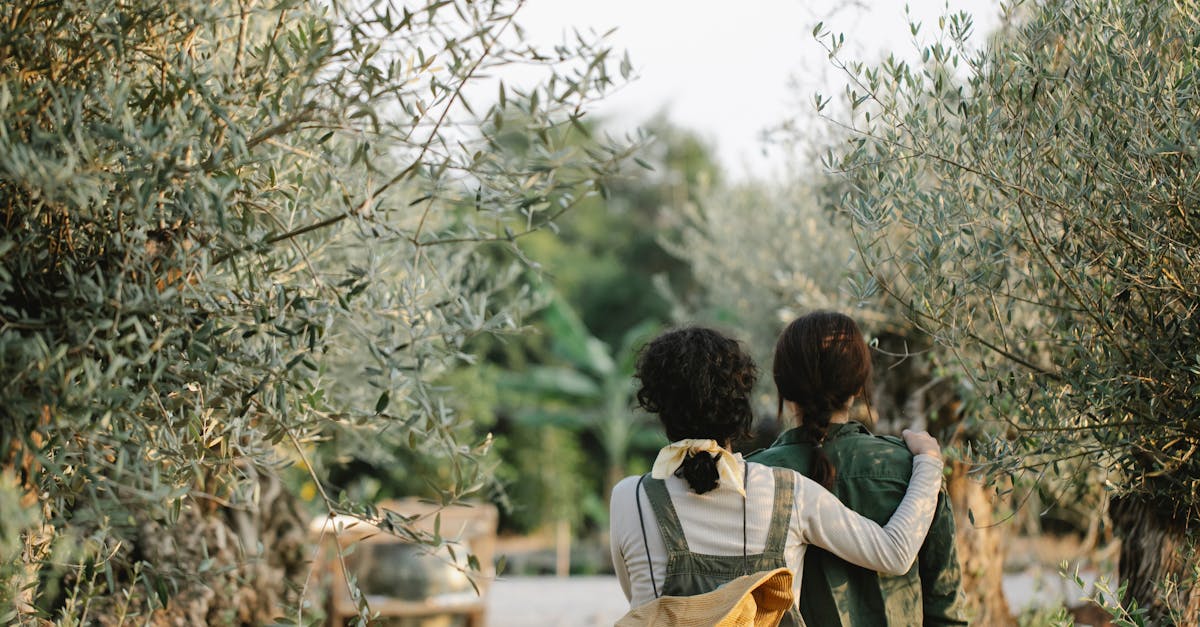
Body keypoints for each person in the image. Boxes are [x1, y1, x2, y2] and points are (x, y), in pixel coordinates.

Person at [609, 326, 945, 626]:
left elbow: (640, 601)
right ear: (740, 406)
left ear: (659, 407)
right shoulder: (786, 491)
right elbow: (895, 553)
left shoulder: (629, 498)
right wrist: (929, 462)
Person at [747, 311, 968, 626]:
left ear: (783, 386)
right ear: (859, 384)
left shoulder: (751, 478)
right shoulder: (914, 471)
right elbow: (945, 610)